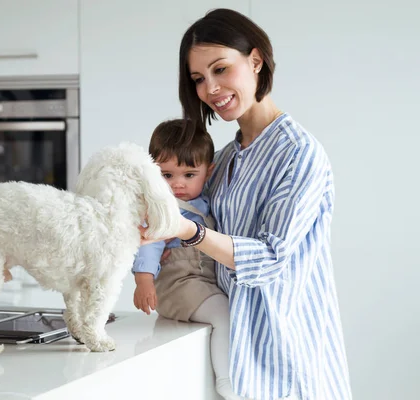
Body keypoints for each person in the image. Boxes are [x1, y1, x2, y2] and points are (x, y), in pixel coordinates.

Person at [141, 8, 353, 400]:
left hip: (288, 358)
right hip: (239, 356)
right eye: (199, 79)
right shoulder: (222, 160)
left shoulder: (298, 153)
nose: (210, 88)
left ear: (255, 61)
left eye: (221, 69)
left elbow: (271, 257)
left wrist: (189, 231)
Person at [132, 119, 241, 400]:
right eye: (167, 175)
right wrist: (144, 281)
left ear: (209, 172)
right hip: (179, 284)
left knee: (233, 313)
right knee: (224, 315)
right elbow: (149, 245)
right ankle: (226, 381)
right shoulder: (159, 208)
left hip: (200, 283)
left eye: (189, 175)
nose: (178, 184)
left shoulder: (205, 202)